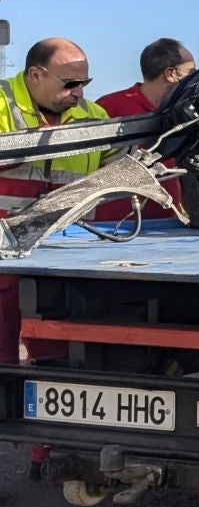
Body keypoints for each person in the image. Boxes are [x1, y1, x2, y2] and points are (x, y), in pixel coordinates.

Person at [0, 38, 111, 363]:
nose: (79, 93)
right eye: (70, 84)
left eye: (84, 83)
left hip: (69, 259)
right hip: (5, 258)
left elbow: (121, 165)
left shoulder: (94, 115)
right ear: (35, 75)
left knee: (61, 360)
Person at [94, 37, 194, 223]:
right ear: (171, 74)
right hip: (110, 233)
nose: (194, 81)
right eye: (190, 72)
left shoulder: (184, 114)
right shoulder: (108, 107)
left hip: (168, 232)